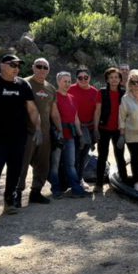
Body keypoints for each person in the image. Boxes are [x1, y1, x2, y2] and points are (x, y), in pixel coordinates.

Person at [0, 54, 42, 218]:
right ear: (2, 65)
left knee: (15, 170)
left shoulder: (23, 84)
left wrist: (38, 129)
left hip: (18, 136)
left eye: (18, 66)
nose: (16, 69)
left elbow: (32, 109)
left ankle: (9, 202)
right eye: (12, 65)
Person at [15, 58, 62, 207]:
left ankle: (36, 192)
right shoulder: (22, 83)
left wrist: (60, 130)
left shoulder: (51, 88)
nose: (42, 70)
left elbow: (54, 112)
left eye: (45, 67)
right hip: (26, 132)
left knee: (43, 164)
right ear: (33, 67)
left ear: (48, 70)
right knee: (22, 163)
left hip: (45, 133)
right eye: (39, 66)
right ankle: (16, 193)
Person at [50, 71, 88, 199]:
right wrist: (59, 132)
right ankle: (56, 189)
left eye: (69, 81)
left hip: (70, 136)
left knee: (70, 164)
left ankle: (76, 189)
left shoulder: (72, 98)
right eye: (64, 81)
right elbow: (54, 115)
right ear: (58, 82)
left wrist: (80, 135)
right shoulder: (54, 96)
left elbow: (75, 118)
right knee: (55, 165)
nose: (67, 84)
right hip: (57, 135)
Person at [95, 67, 128, 192]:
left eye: (116, 77)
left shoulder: (124, 93)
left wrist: (124, 131)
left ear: (120, 79)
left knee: (120, 155)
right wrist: (95, 129)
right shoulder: (102, 92)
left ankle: (124, 181)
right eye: (111, 77)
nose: (114, 80)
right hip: (103, 128)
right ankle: (98, 184)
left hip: (119, 130)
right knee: (102, 156)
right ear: (107, 80)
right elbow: (97, 111)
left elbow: (127, 113)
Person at [68, 68, 101, 183]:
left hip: (90, 128)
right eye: (80, 78)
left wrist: (96, 129)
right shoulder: (70, 89)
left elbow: (97, 112)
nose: (83, 80)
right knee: (75, 155)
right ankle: (74, 180)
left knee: (84, 154)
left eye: (85, 77)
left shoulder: (95, 92)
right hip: (74, 127)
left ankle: (79, 178)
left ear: (89, 78)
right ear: (76, 79)